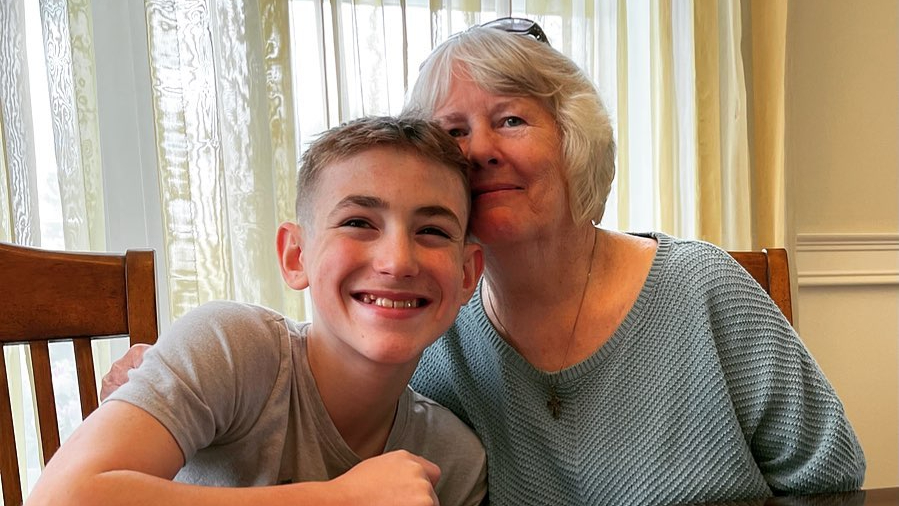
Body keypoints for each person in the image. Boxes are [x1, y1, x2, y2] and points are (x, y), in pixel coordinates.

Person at [100, 18, 867, 506]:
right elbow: (330, 357)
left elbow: (829, 483)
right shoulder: (427, 333)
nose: (480, 151)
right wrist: (168, 378)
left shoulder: (701, 289)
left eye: (510, 119)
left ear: (574, 143)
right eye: (452, 133)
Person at [27, 116, 487, 506]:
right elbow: (60, 498)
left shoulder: (455, 459)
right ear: (295, 256)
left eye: (432, 231)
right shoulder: (231, 347)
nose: (397, 261)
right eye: (358, 223)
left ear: (467, 274)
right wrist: (338, 498)